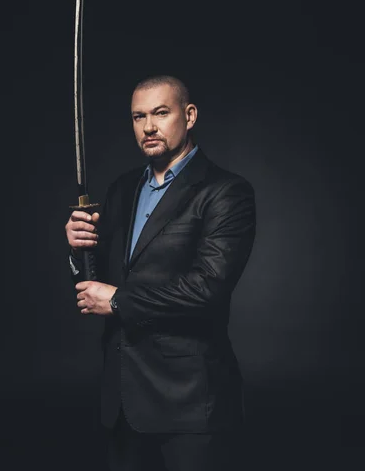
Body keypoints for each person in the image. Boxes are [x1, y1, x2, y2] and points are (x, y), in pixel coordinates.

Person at [65, 75, 256, 471]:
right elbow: (93, 284)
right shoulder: (122, 189)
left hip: (188, 403)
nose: (148, 126)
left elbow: (207, 290)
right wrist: (77, 248)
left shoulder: (225, 192)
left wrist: (117, 300)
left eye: (161, 113)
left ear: (189, 116)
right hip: (120, 400)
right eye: (138, 116)